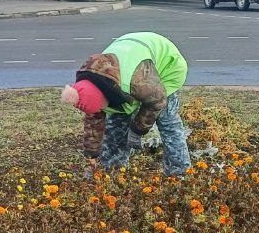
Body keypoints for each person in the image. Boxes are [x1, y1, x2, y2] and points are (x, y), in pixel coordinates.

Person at [61, 31, 191, 176]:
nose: (101, 111)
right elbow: (94, 117)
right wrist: (92, 154)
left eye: (102, 107)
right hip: (128, 70)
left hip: (167, 66)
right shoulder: (89, 85)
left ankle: (179, 173)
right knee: (116, 123)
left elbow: (156, 101)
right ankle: (110, 170)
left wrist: (137, 130)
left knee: (167, 123)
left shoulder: (137, 81)